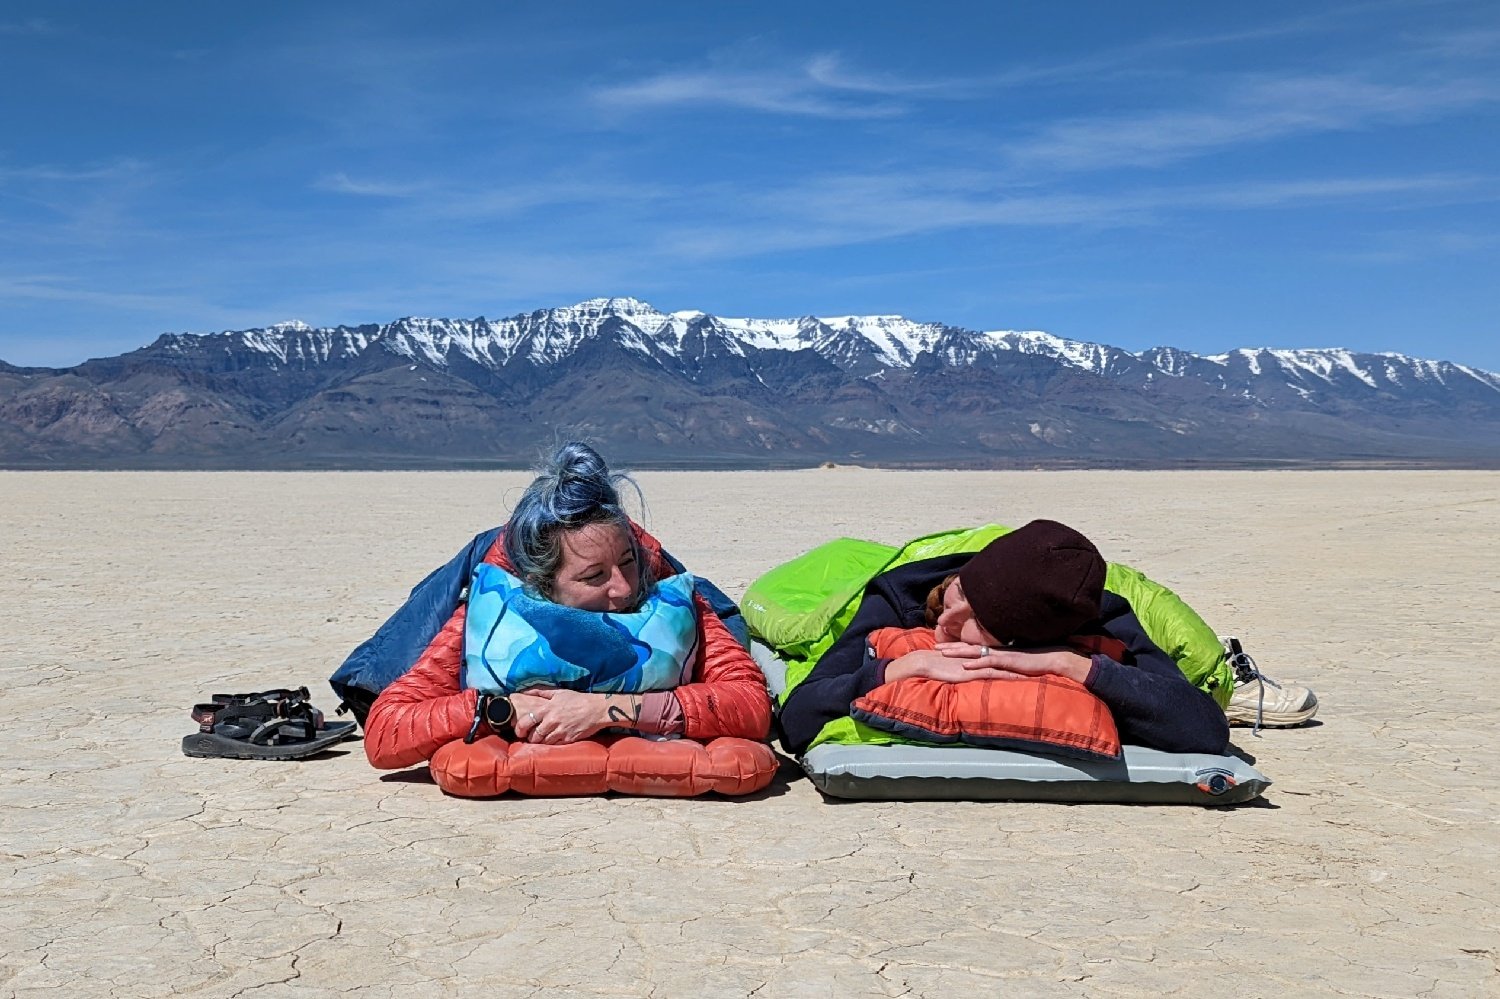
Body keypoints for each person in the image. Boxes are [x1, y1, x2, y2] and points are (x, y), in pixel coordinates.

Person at [363, 442, 773, 782]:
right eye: (594, 577)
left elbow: (751, 704)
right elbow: (386, 732)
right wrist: (500, 710)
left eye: (628, 562)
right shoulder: (497, 612)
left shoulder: (668, 595)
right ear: (543, 587)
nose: (625, 587)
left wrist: (601, 709)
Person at [778, 519, 1232, 757]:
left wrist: (1070, 665)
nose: (945, 621)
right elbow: (797, 718)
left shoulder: (1102, 617)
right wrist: (900, 666)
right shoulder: (903, 593)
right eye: (958, 596)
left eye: (974, 624)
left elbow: (1204, 728)